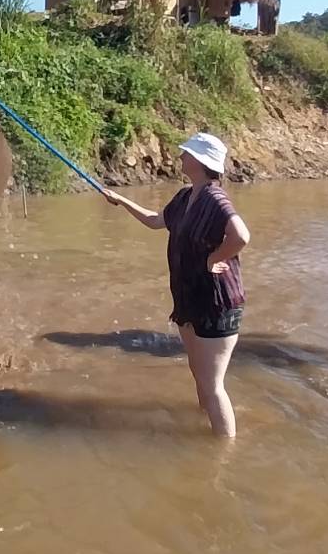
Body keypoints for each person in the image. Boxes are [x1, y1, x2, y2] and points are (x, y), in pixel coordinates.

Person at [103, 132, 250, 436]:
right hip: (190, 298)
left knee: (212, 386)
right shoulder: (185, 196)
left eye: (186, 153)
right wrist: (121, 200)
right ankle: (205, 428)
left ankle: (224, 452)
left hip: (217, 303)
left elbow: (241, 236)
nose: (180, 156)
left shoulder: (215, 198)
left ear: (199, 161)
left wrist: (214, 258)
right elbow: (156, 221)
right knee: (200, 375)